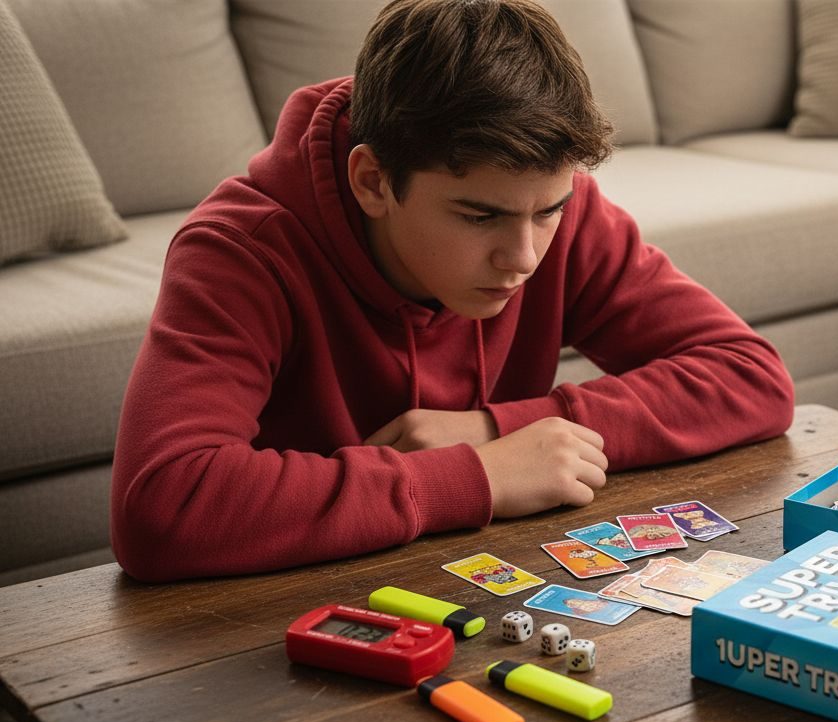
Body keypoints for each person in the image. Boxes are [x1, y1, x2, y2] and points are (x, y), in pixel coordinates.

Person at [109, 0, 793, 582]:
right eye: (478, 217)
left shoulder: (562, 210)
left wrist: (497, 428)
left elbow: (752, 377)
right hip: (286, 614)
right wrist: (479, 476)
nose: (522, 257)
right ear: (373, 182)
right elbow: (162, 506)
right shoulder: (239, 252)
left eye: (548, 211)